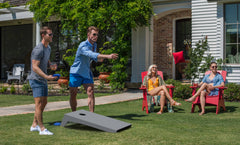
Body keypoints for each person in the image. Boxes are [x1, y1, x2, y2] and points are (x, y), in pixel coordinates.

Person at [69, 26, 118, 112]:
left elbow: (95, 58)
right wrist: (108, 56)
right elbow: (91, 54)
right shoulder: (82, 45)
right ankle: (74, 114)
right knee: (73, 94)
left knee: (90, 92)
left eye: (97, 35)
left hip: (86, 72)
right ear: (88, 35)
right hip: (76, 72)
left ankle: (92, 115)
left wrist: (101, 59)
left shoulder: (94, 45)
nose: (96, 37)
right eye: (94, 34)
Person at [28, 26, 57, 135]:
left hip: (43, 79)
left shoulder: (48, 48)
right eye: (50, 34)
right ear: (43, 35)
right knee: (39, 104)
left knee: (44, 102)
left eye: (52, 34)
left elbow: (46, 58)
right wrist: (46, 76)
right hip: (36, 80)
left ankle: (34, 125)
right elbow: (34, 66)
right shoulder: (38, 49)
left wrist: (51, 65)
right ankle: (42, 129)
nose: (52, 36)